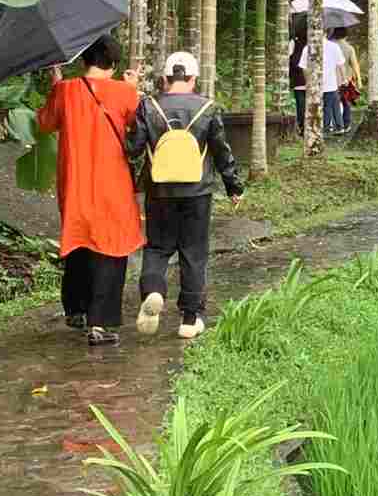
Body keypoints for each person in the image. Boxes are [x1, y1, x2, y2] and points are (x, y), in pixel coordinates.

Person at [34, 34, 142, 346]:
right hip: (113, 184)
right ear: (114, 64)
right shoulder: (125, 92)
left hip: (75, 182)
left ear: (83, 60)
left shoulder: (65, 91)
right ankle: (101, 323)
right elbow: (138, 127)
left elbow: (44, 123)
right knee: (111, 245)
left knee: (80, 238)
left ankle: (76, 309)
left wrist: (55, 85)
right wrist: (133, 89)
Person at [133, 52, 244, 340]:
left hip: (159, 191)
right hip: (197, 192)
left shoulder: (148, 105)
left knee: (157, 248)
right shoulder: (208, 107)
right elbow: (221, 151)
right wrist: (233, 186)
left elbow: (132, 147)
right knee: (193, 253)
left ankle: (154, 290)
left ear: (166, 78)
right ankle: (189, 319)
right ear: (193, 78)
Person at [299, 32, 348, 134]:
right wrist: (344, 79)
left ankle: (323, 129)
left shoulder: (308, 47)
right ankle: (335, 127)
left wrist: (308, 81)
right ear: (326, 34)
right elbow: (341, 65)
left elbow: (304, 68)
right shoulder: (334, 47)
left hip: (315, 85)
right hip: (331, 84)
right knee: (331, 106)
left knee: (317, 107)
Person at [332, 27, 361, 130]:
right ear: (346, 35)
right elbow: (354, 65)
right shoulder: (349, 48)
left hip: (332, 80)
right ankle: (346, 124)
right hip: (346, 80)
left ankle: (335, 125)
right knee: (346, 103)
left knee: (333, 103)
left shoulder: (329, 46)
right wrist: (359, 80)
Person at [289, 32, 307, 136]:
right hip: (310, 79)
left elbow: (289, 58)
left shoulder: (294, 42)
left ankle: (302, 127)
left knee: (300, 106)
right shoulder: (315, 43)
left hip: (298, 80)